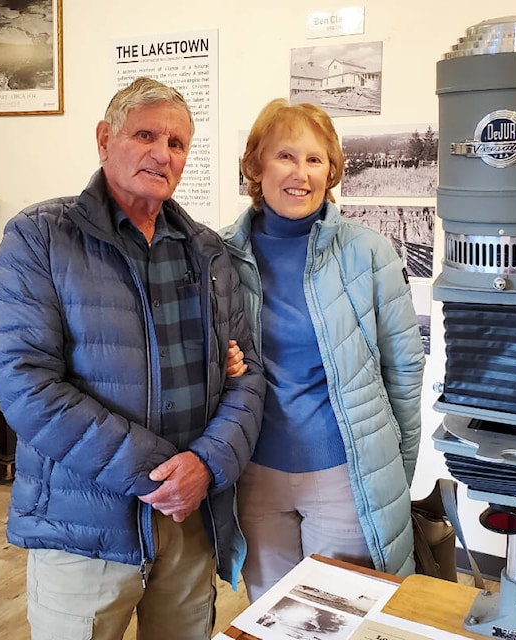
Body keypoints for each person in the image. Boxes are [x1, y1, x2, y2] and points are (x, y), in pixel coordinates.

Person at [0, 76, 265, 640]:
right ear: (103, 138)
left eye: (177, 143)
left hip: (189, 523)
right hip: (81, 529)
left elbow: (248, 375)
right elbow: (25, 384)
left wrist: (207, 465)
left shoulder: (209, 252)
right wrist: (159, 474)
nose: (162, 153)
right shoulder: (39, 237)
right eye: (146, 134)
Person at [220, 99, 426, 602]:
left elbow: (404, 371)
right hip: (255, 476)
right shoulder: (220, 254)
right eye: (285, 156)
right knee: (270, 615)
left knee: (339, 617)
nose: (301, 173)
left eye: (315, 160)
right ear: (255, 165)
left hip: (344, 477)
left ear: (331, 171)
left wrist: (393, 472)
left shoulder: (367, 252)